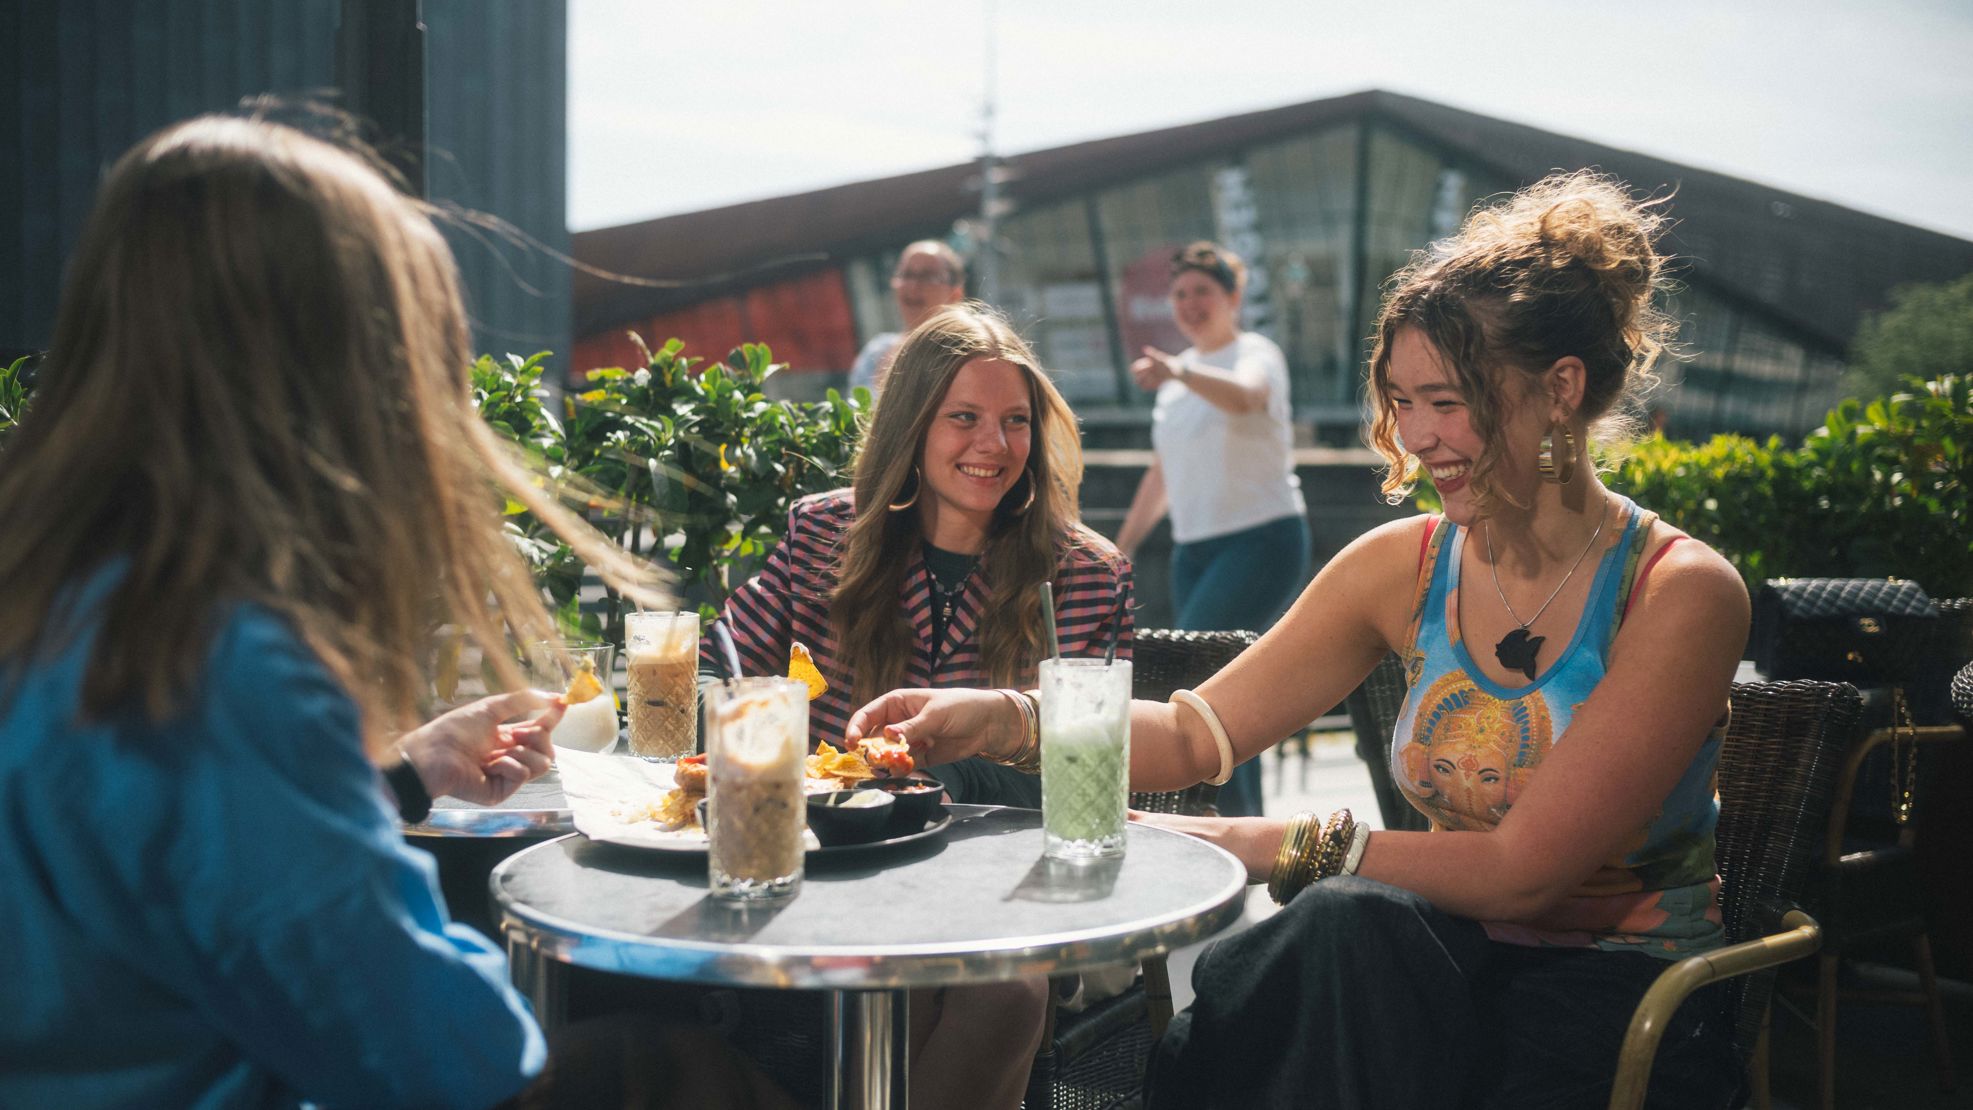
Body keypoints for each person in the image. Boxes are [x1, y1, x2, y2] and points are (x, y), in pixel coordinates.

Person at [847, 172, 1752, 1109]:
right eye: (1401, 402)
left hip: (1623, 1013)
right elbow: (1201, 734)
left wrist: (1226, 840)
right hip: (1423, 980)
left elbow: (1519, 874)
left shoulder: (1678, 594)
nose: (1417, 437)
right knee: (1339, 935)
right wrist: (1001, 719)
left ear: (1560, 389)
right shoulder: (1403, 565)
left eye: (1447, 401)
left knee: (1340, 932)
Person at [0, 112, 791, 1110]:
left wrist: (402, 776)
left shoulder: (56, 582)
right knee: (673, 1069)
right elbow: (449, 1056)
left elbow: (149, 847)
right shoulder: (214, 659)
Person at [709, 301, 1132, 1110]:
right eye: (963, 418)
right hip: (837, 868)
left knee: (1001, 991)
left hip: (1012, 883)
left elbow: (1096, 759)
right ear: (912, 426)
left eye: (1015, 421)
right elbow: (720, 672)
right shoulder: (823, 534)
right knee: (897, 979)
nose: (994, 446)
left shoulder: (1081, 572)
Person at [1114, 241, 1308, 817]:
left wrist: (1178, 367)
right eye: (1180, 294)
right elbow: (1163, 474)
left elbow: (1249, 399)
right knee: (1213, 687)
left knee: (1201, 682)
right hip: (1192, 551)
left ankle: (1230, 824)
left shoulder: (1254, 352)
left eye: (1203, 290)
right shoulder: (1176, 389)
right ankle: (1225, 818)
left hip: (1262, 539)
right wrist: (1122, 546)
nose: (1190, 303)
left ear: (1232, 296)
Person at [846, 240, 967, 397]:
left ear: (955, 294)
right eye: (906, 275)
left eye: (927, 276)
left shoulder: (966, 356)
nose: (913, 286)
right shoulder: (874, 354)